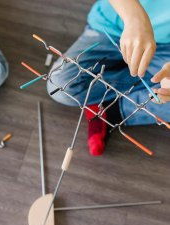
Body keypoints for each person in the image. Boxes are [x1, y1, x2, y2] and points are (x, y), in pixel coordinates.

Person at [47, 0, 170, 156]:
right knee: (60, 86)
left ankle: (111, 109)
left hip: (166, 47)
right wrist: (135, 19)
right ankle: (113, 93)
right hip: (113, 25)